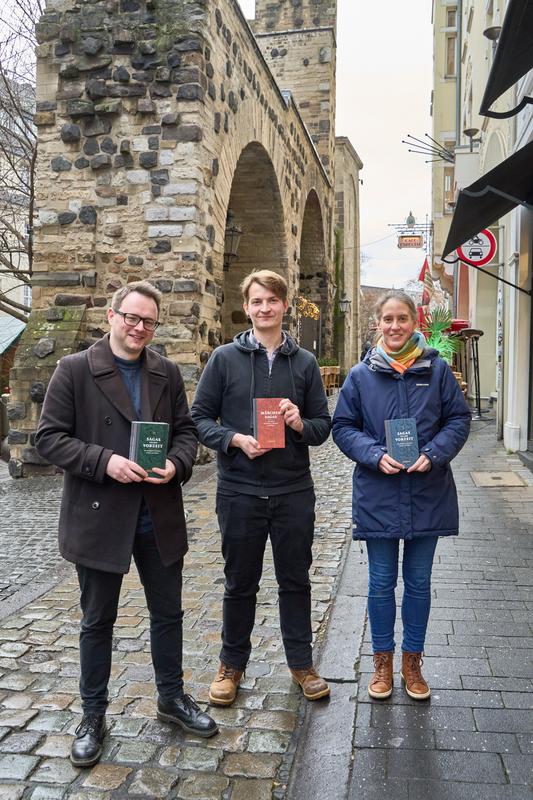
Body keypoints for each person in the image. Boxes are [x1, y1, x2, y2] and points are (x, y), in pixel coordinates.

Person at [35, 281, 218, 767]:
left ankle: (171, 698)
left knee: (169, 613)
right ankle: (93, 714)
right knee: (98, 621)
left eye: (148, 322)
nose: (139, 328)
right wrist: (104, 461)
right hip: (100, 514)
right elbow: (48, 439)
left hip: (156, 514)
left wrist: (178, 466)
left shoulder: (166, 372)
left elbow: (186, 432)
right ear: (111, 317)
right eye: (131, 318)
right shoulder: (74, 370)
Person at [191, 269, 331, 706]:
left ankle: (302, 664)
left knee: (295, 581)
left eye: (272, 300)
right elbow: (198, 419)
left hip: (292, 491)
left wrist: (298, 424)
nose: (264, 308)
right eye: (256, 301)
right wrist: (232, 439)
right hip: (239, 490)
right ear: (247, 307)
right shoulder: (224, 359)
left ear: (284, 305)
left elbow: (323, 427)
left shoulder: (304, 363)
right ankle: (231, 665)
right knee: (239, 583)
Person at [332, 290, 470, 701]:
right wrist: (374, 455)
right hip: (380, 492)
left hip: (427, 490)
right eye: (387, 319)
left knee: (419, 582)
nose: (394, 327)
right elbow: (343, 426)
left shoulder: (438, 371)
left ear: (415, 322)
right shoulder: (361, 375)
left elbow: (458, 419)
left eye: (402, 319)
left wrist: (434, 453)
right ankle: (382, 661)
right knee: (379, 583)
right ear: (378, 323)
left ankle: (413, 661)